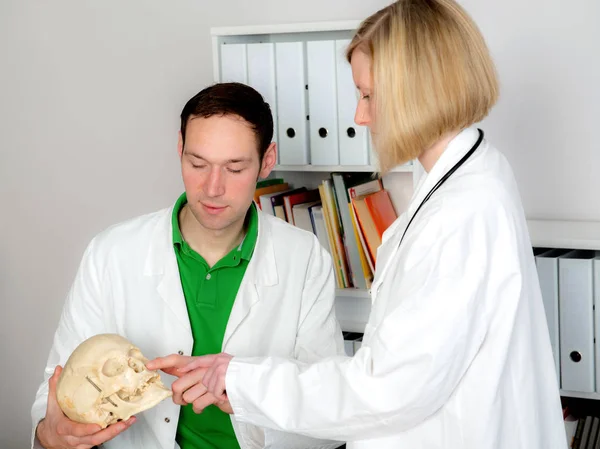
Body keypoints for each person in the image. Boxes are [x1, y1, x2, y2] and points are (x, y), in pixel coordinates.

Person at [148, 1, 568, 448]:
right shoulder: (467, 179)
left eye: (368, 95)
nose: (359, 117)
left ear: (417, 90)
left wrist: (238, 379)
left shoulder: (463, 213)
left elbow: (388, 390)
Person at [30, 82, 346, 449]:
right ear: (179, 147)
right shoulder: (111, 254)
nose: (212, 188)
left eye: (235, 167)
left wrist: (248, 390)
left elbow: (327, 414)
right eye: (197, 163)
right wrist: (48, 434)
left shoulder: (304, 260)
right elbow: (54, 393)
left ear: (268, 160)